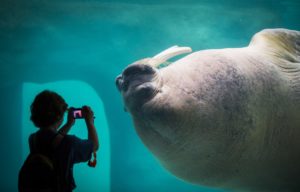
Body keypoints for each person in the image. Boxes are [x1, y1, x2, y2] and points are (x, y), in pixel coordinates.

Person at [21, 90, 99, 191]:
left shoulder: (33, 139)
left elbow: (54, 142)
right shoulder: (70, 143)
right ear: (59, 117)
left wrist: (69, 124)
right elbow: (94, 146)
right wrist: (89, 121)